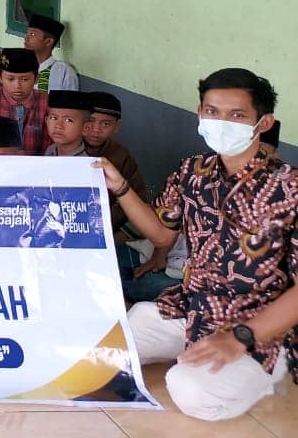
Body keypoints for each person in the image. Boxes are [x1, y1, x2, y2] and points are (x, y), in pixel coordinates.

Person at [97, 68, 297, 421]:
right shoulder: (193, 171)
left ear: (263, 123)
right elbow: (162, 235)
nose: (221, 123)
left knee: (188, 389)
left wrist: (241, 336)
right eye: (212, 112)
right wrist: (121, 188)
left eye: (237, 115)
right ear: (199, 113)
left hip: (261, 329)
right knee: (101, 350)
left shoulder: (289, 189)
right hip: (193, 310)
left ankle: (268, 374)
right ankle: (202, 354)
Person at [84, 92, 146, 235]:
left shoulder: (121, 155)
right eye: (90, 121)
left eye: (105, 124)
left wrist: (105, 226)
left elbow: (138, 198)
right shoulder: (67, 148)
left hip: (108, 228)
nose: (96, 129)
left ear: (116, 126)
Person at [0, 48, 49, 155]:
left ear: (36, 79)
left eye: (25, 79)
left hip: (37, 163)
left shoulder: (46, 102)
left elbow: (48, 148)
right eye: (10, 79)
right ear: (0, 77)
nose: (17, 86)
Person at [24, 12, 79, 92]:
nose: (26, 38)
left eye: (32, 34)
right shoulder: (20, 66)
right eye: (27, 33)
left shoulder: (64, 72)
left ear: (48, 42)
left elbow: (71, 99)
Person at [44, 90, 92, 156]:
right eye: (53, 118)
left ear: (85, 128)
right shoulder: (50, 150)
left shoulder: (84, 161)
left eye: (68, 120)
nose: (58, 125)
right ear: (46, 121)